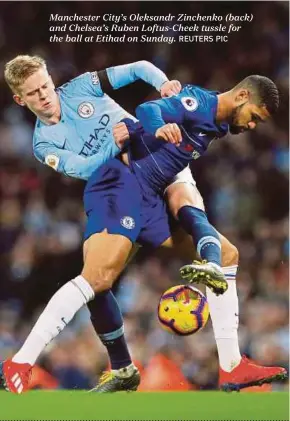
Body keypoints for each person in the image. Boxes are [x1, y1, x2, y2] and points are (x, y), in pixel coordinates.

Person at [1, 56, 285, 394]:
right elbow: (85, 167)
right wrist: (119, 140)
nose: (45, 95)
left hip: (154, 167)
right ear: (21, 100)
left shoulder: (79, 87)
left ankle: (231, 366)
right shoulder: (42, 144)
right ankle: (29, 362)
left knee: (226, 253)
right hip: (117, 181)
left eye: (46, 85)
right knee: (97, 280)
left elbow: (139, 69)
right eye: (34, 93)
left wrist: (162, 83)